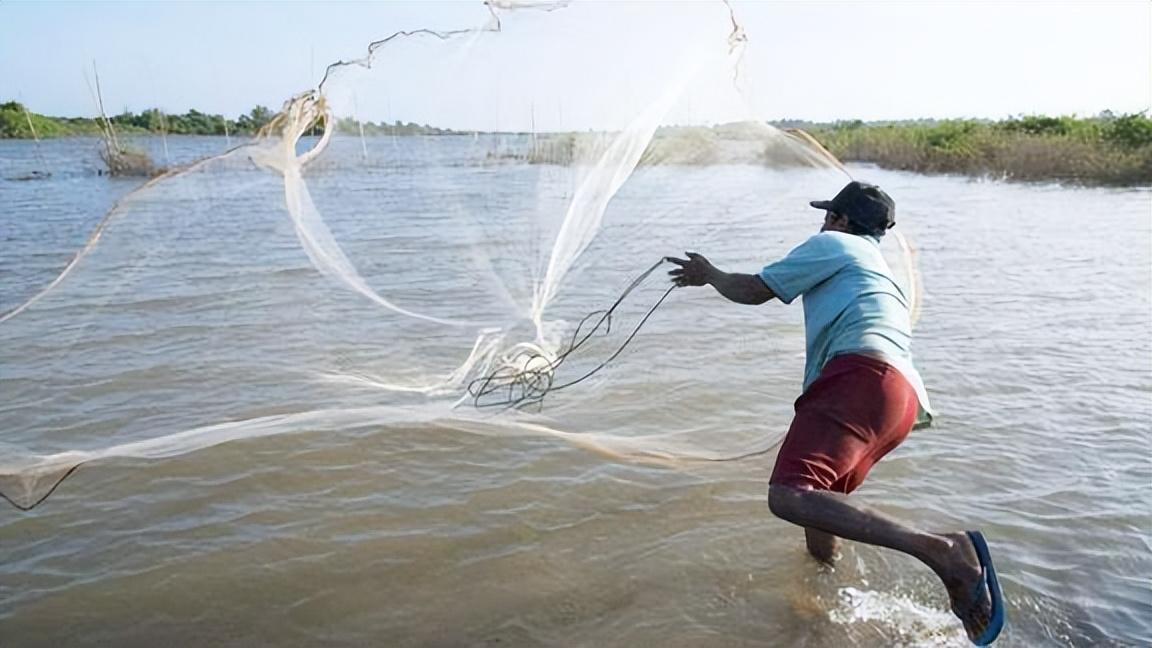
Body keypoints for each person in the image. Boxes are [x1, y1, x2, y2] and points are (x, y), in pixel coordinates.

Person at [666, 181, 1004, 646]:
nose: (823, 223)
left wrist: (710, 274)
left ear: (842, 221)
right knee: (819, 511)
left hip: (861, 378)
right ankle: (823, 606)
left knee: (788, 496)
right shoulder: (876, 264)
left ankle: (943, 550)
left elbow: (754, 290)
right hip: (899, 399)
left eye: (829, 215)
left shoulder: (834, 244)